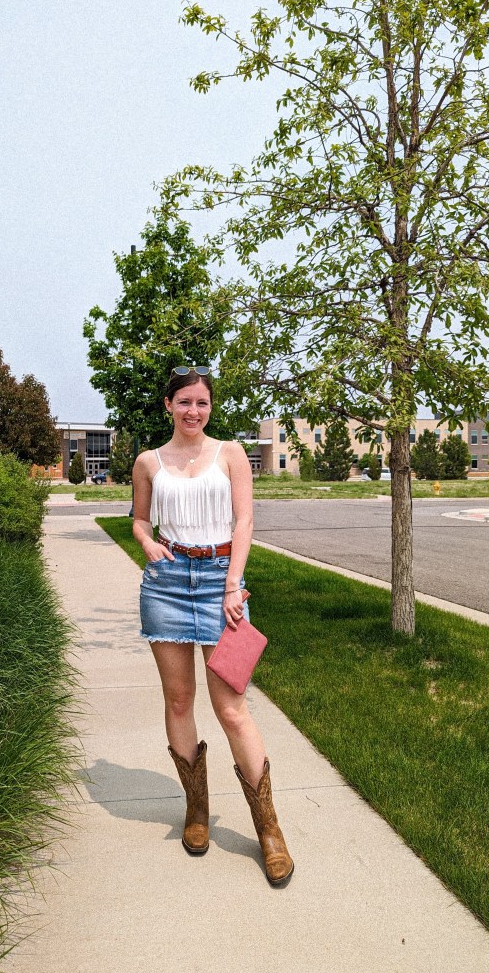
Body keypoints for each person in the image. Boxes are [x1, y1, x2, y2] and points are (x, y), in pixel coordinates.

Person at [132, 365, 293, 886]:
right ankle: (196, 810)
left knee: (232, 709)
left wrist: (232, 584)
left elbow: (244, 521)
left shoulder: (230, 454)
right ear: (168, 405)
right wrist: (147, 542)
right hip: (166, 584)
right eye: (184, 402)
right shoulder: (149, 461)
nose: (193, 411)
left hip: (221, 583)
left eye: (201, 402)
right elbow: (140, 519)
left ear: (210, 407)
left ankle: (269, 830)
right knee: (179, 700)